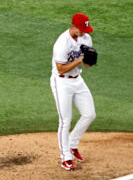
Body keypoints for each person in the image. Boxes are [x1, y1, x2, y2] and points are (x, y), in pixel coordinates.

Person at [50, 13, 97, 171]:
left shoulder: (86, 38)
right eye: (82, 29)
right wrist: (79, 60)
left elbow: (87, 65)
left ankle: (72, 145)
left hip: (78, 80)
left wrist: (89, 60)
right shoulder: (62, 43)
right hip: (61, 82)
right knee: (65, 120)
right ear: (74, 26)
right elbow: (60, 68)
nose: (85, 32)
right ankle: (65, 157)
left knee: (89, 114)